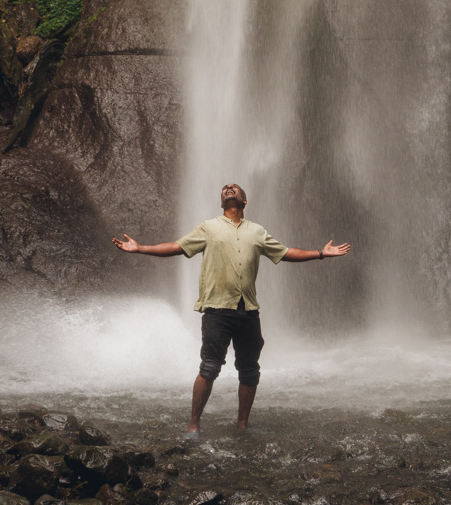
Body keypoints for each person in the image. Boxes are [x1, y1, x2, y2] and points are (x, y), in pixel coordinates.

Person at [113, 183, 350, 437]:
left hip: (248, 310)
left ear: (244, 201)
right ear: (221, 202)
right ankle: (194, 424)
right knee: (209, 367)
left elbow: (285, 252)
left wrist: (320, 253)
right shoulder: (208, 227)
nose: (228, 188)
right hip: (217, 308)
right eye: (225, 188)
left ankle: (242, 425)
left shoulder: (257, 232)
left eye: (234, 188)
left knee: (250, 369)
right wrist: (140, 248)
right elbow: (177, 247)